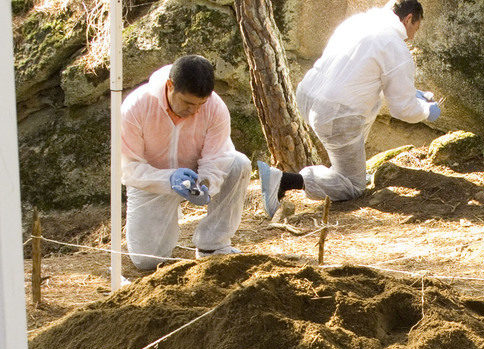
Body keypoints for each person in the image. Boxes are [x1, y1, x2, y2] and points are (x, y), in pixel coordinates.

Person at [257, 0, 440, 215]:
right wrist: (427, 110)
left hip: (308, 96)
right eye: (415, 28)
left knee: (370, 101)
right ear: (409, 19)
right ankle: (283, 180)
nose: (412, 37)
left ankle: (350, 169)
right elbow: (402, 109)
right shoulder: (394, 45)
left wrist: (413, 94)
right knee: (352, 185)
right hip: (336, 114)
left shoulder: (358, 22)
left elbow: (358, 75)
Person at [121, 55, 252, 269]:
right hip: (152, 179)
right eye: (189, 103)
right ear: (170, 85)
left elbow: (218, 157)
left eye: (201, 104)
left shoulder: (215, 107)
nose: (195, 111)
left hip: (195, 171)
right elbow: (128, 167)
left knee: (238, 163)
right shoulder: (136, 106)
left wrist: (206, 183)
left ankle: (213, 244)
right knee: (147, 261)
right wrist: (167, 178)